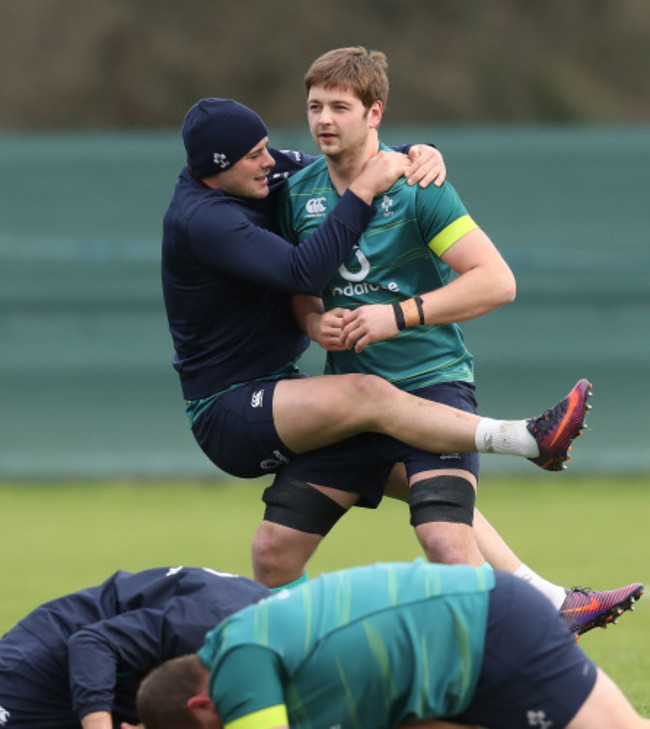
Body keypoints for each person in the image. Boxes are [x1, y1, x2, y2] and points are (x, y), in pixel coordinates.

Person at [162, 96, 639, 634]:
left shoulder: (269, 174)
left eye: (268, 146)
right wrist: (365, 194)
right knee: (368, 396)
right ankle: (525, 438)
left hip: (322, 394)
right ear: (215, 170)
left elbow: (359, 161)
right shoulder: (203, 219)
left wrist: (419, 153)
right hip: (230, 410)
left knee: (279, 553)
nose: (270, 160)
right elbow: (302, 271)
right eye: (254, 155)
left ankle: (548, 600)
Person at [133, 560, 650, 729]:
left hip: (488, 628)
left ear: (203, 704)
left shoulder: (235, 668)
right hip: (465, 640)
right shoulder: (235, 637)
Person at [0, 566, 271, 729]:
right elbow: (92, 644)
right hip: (45, 661)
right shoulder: (208, 626)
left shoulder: (276, 638)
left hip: (125, 679)